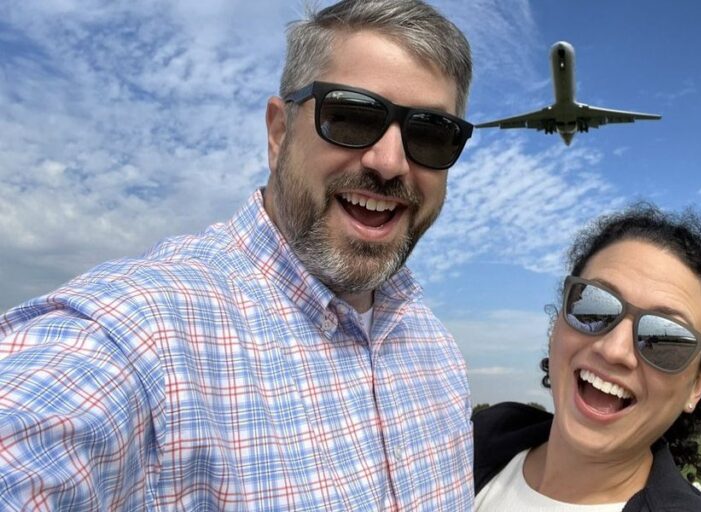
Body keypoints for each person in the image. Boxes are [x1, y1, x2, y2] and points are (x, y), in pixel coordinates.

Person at [0, 0, 475, 509]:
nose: (390, 162)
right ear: (278, 133)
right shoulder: (141, 334)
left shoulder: (435, 348)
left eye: (431, 134)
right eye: (352, 117)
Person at [473, 205, 701, 511]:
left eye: (666, 337)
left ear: (697, 386)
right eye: (593, 306)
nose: (614, 350)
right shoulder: (476, 437)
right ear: (557, 323)